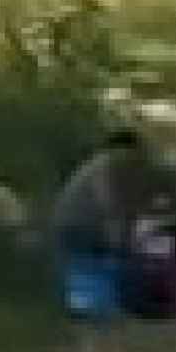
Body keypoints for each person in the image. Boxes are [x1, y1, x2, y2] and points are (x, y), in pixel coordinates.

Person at [51, 129, 156, 318]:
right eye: (131, 154)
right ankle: (97, 310)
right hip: (77, 224)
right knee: (95, 264)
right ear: (121, 149)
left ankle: (90, 309)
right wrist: (118, 235)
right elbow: (107, 201)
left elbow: (120, 207)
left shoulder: (103, 165)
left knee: (89, 266)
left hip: (73, 223)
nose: (132, 159)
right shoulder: (104, 165)